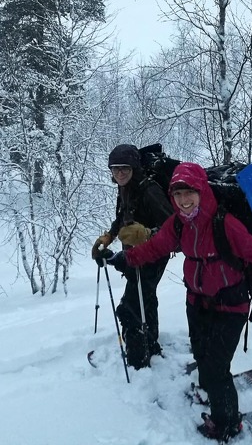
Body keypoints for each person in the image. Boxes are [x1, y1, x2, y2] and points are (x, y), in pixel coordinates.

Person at [98, 161, 252, 443]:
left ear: (202, 191)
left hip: (231, 305)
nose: (184, 201)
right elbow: (154, 248)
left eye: (189, 193)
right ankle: (208, 388)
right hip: (196, 302)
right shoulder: (178, 224)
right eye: (178, 194)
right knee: (201, 354)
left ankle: (226, 424)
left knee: (216, 368)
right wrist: (121, 258)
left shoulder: (225, 225)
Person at [92, 144, 173, 369]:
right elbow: (123, 216)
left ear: (134, 168)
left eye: (125, 168)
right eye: (115, 168)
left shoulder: (149, 190)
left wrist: (147, 234)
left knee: (130, 307)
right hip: (135, 255)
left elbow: (174, 227)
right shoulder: (126, 188)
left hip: (154, 255)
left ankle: (138, 360)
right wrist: (110, 235)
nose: (120, 173)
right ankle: (150, 344)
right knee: (145, 298)